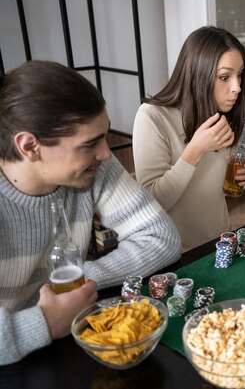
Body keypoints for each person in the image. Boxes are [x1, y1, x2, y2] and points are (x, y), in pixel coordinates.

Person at [0, 61, 182, 365]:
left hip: (73, 338)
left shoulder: (94, 167)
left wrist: (80, 282)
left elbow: (161, 237)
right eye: (89, 144)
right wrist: (43, 321)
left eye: (104, 135)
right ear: (30, 146)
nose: (106, 153)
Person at [133, 26, 245, 252]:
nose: (237, 87)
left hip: (221, 242)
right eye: (224, 77)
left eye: (239, 75)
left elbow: (208, 190)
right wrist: (194, 152)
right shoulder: (152, 117)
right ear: (197, 73)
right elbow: (153, 203)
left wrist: (239, 178)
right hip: (175, 254)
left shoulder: (224, 114)